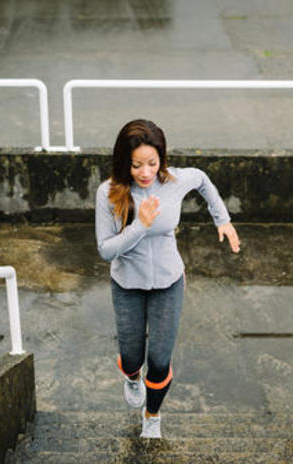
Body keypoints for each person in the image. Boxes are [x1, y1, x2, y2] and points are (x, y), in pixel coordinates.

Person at [95, 119, 240, 438]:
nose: (145, 173)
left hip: (169, 282)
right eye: (136, 165)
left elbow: (202, 180)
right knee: (133, 357)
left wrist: (222, 219)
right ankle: (132, 377)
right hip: (127, 286)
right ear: (124, 162)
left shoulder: (174, 180)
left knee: (159, 361)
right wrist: (140, 225)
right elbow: (105, 251)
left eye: (152, 163)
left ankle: (152, 414)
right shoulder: (108, 192)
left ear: (162, 159)